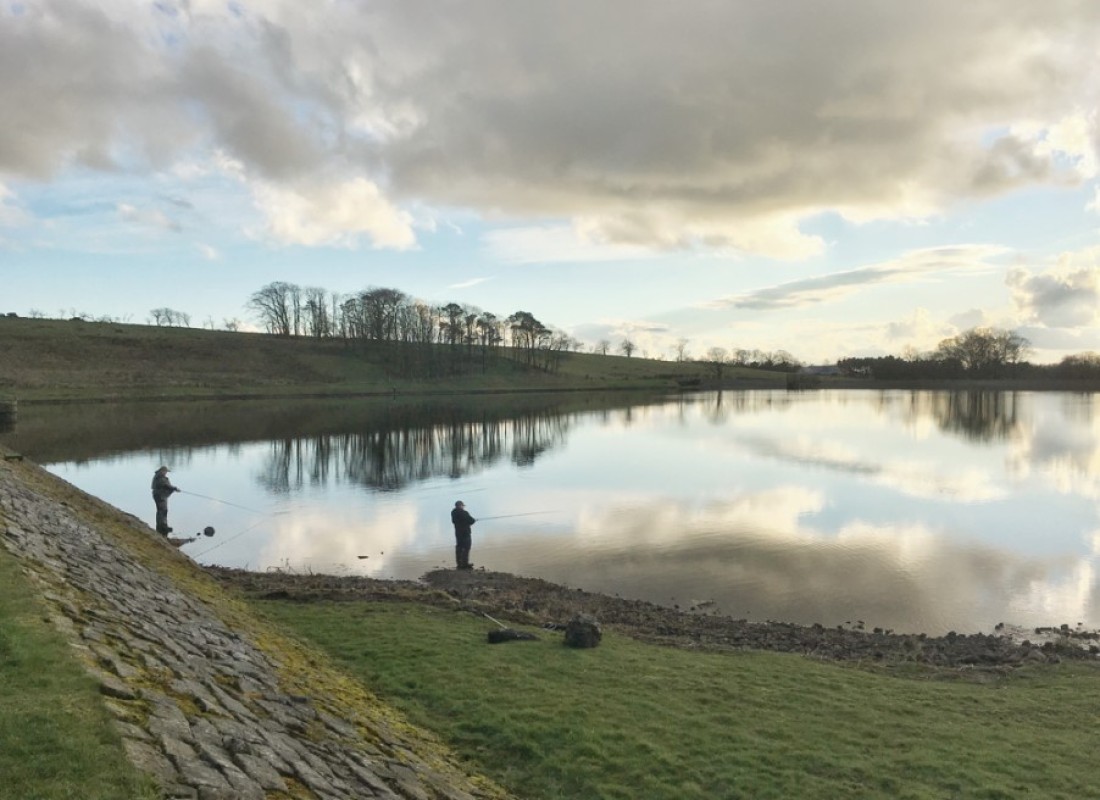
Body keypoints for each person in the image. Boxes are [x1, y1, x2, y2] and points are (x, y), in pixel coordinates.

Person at [151, 466, 180, 536]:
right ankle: (163, 528)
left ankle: (161, 527)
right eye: (166, 471)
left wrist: (174, 489)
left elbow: (166, 485)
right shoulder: (160, 477)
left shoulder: (158, 476)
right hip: (160, 496)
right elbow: (166, 485)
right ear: (162, 471)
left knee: (161, 511)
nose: (166, 473)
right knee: (162, 511)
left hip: (159, 495)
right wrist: (175, 488)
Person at [451, 500, 476, 570]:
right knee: (466, 548)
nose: (463, 507)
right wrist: (473, 520)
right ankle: (465, 564)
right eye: (462, 506)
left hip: (458, 533)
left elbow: (454, 521)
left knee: (459, 548)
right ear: (460, 506)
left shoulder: (453, 513)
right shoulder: (464, 513)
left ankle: (459, 564)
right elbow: (471, 521)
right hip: (465, 533)